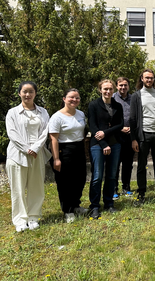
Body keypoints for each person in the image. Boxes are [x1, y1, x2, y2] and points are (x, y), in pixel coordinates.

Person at [5, 81, 51, 232]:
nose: (27, 94)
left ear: (35, 93)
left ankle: (33, 217)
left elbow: (46, 131)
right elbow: (12, 133)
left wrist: (36, 148)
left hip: (37, 154)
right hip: (17, 154)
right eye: (24, 91)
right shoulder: (12, 113)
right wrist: (26, 149)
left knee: (36, 186)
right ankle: (20, 220)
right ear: (19, 93)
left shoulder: (43, 112)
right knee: (17, 188)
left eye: (31, 91)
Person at [130, 69, 155, 204]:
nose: (149, 80)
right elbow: (133, 118)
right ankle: (141, 194)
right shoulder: (137, 96)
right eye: (147, 78)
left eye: (151, 78)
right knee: (142, 165)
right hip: (143, 135)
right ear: (141, 78)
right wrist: (134, 138)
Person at [49, 88, 87, 224]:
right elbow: (53, 138)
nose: (74, 100)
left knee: (80, 178)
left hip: (79, 149)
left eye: (77, 98)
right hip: (64, 150)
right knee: (65, 182)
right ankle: (68, 210)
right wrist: (56, 159)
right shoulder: (57, 117)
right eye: (71, 97)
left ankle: (76, 205)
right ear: (64, 99)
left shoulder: (81, 114)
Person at [88, 79, 124, 219]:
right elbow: (93, 127)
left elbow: (120, 124)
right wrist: (104, 144)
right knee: (97, 176)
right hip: (97, 145)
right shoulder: (94, 105)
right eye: (105, 89)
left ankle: (109, 203)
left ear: (114, 90)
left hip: (115, 144)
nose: (108, 91)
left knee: (111, 175)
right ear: (100, 90)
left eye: (110, 89)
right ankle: (95, 206)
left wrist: (106, 133)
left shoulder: (117, 105)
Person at [113, 77, 135, 199]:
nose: (123, 87)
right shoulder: (112, 99)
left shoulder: (133, 99)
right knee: (115, 164)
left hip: (130, 136)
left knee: (128, 163)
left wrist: (132, 128)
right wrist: (120, 128)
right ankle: (114, 188)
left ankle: (126, 187)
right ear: (117, 86)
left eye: (125, 85)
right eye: (121, 85)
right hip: (116, 135)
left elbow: (136, 116)